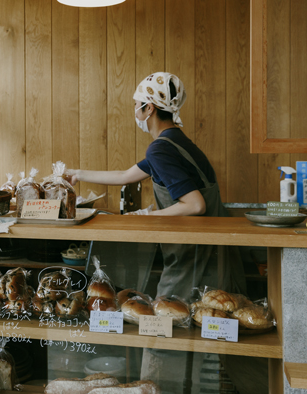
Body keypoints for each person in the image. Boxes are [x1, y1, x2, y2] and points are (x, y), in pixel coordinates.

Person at [68, 72, 258, 392]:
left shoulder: (161, 149)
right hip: (219, 259)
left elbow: (194, 204)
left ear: (150, 108)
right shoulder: (176, 143)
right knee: (224, 344)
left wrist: (150, 217)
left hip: (193, 263)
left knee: (162, 339)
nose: (136, 112)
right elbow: (128, 174)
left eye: (137, 106)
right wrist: (78, 173)